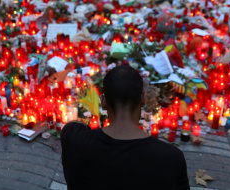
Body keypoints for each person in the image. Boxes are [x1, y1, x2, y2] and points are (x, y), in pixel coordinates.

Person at [61, 65, 190, 190]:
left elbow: (72, 127)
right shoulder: (171, 158)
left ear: (103, 101)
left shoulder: (76, 142)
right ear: (143, 99)